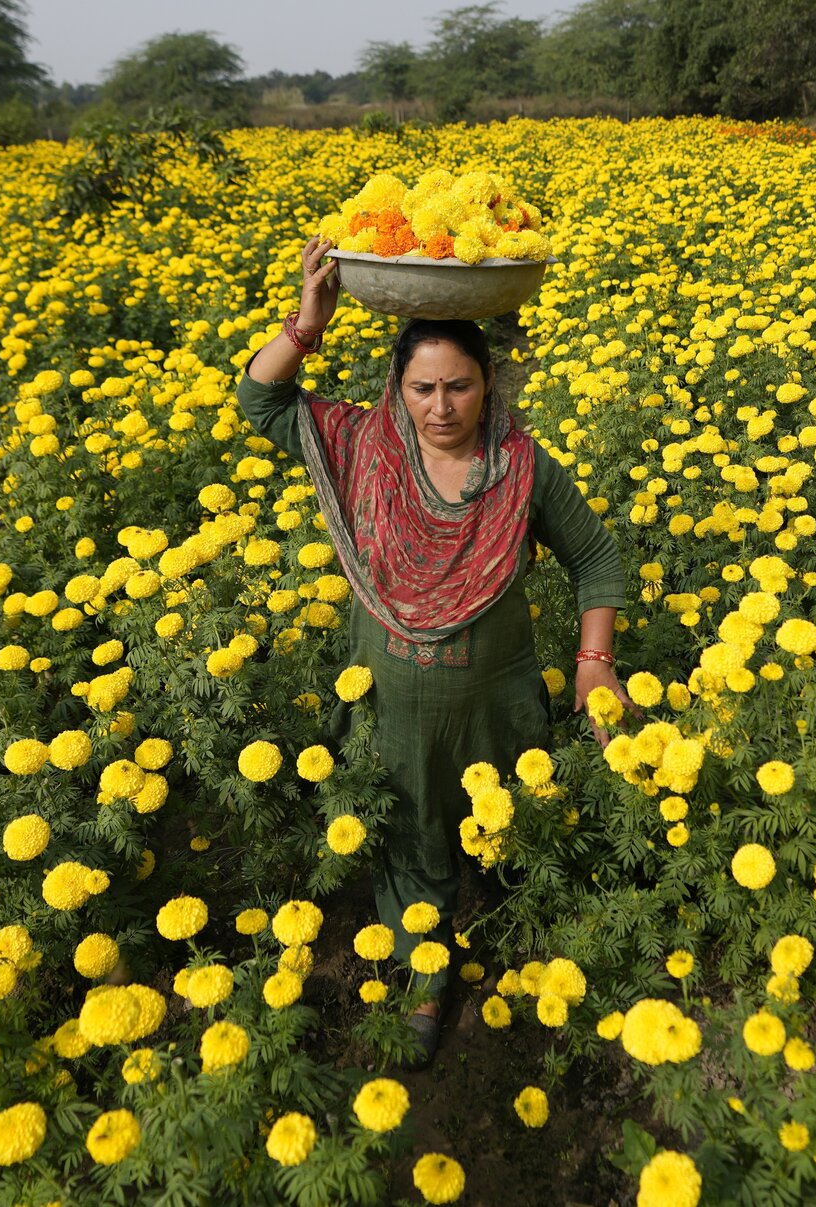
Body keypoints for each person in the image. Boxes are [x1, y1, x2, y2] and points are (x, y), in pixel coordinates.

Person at [236, 236, 629, 1066]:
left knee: (518, 830)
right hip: (397, 704)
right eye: (423, 387)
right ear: (397, 386)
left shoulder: (520, 467)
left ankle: (534, 930)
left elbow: (596, 557)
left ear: (490, 386)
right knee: (412, 828)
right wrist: (308, 323)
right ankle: (425, 966)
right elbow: (262, 402)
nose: (441, 405)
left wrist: (596, 665)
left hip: (500, 702)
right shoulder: (360, 445)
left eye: (459, 385)